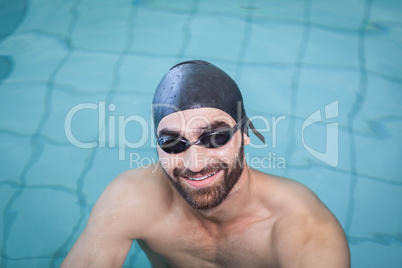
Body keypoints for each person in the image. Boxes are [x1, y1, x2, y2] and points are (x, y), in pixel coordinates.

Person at [61, 60, 350, 267]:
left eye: (215, 137)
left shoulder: (304, 231)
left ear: (245, 134)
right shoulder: (133, 198)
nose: (195, 163)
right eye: (173, 143)